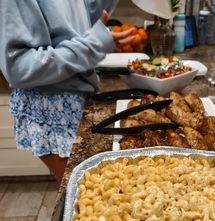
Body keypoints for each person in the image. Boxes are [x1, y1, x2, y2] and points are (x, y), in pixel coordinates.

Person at [0, 0, 134, 183]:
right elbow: (18, 68)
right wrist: (93, 45)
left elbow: (75, 22)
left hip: (78, 98)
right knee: (89, 195)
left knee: (96, 192)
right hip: (50, 109)